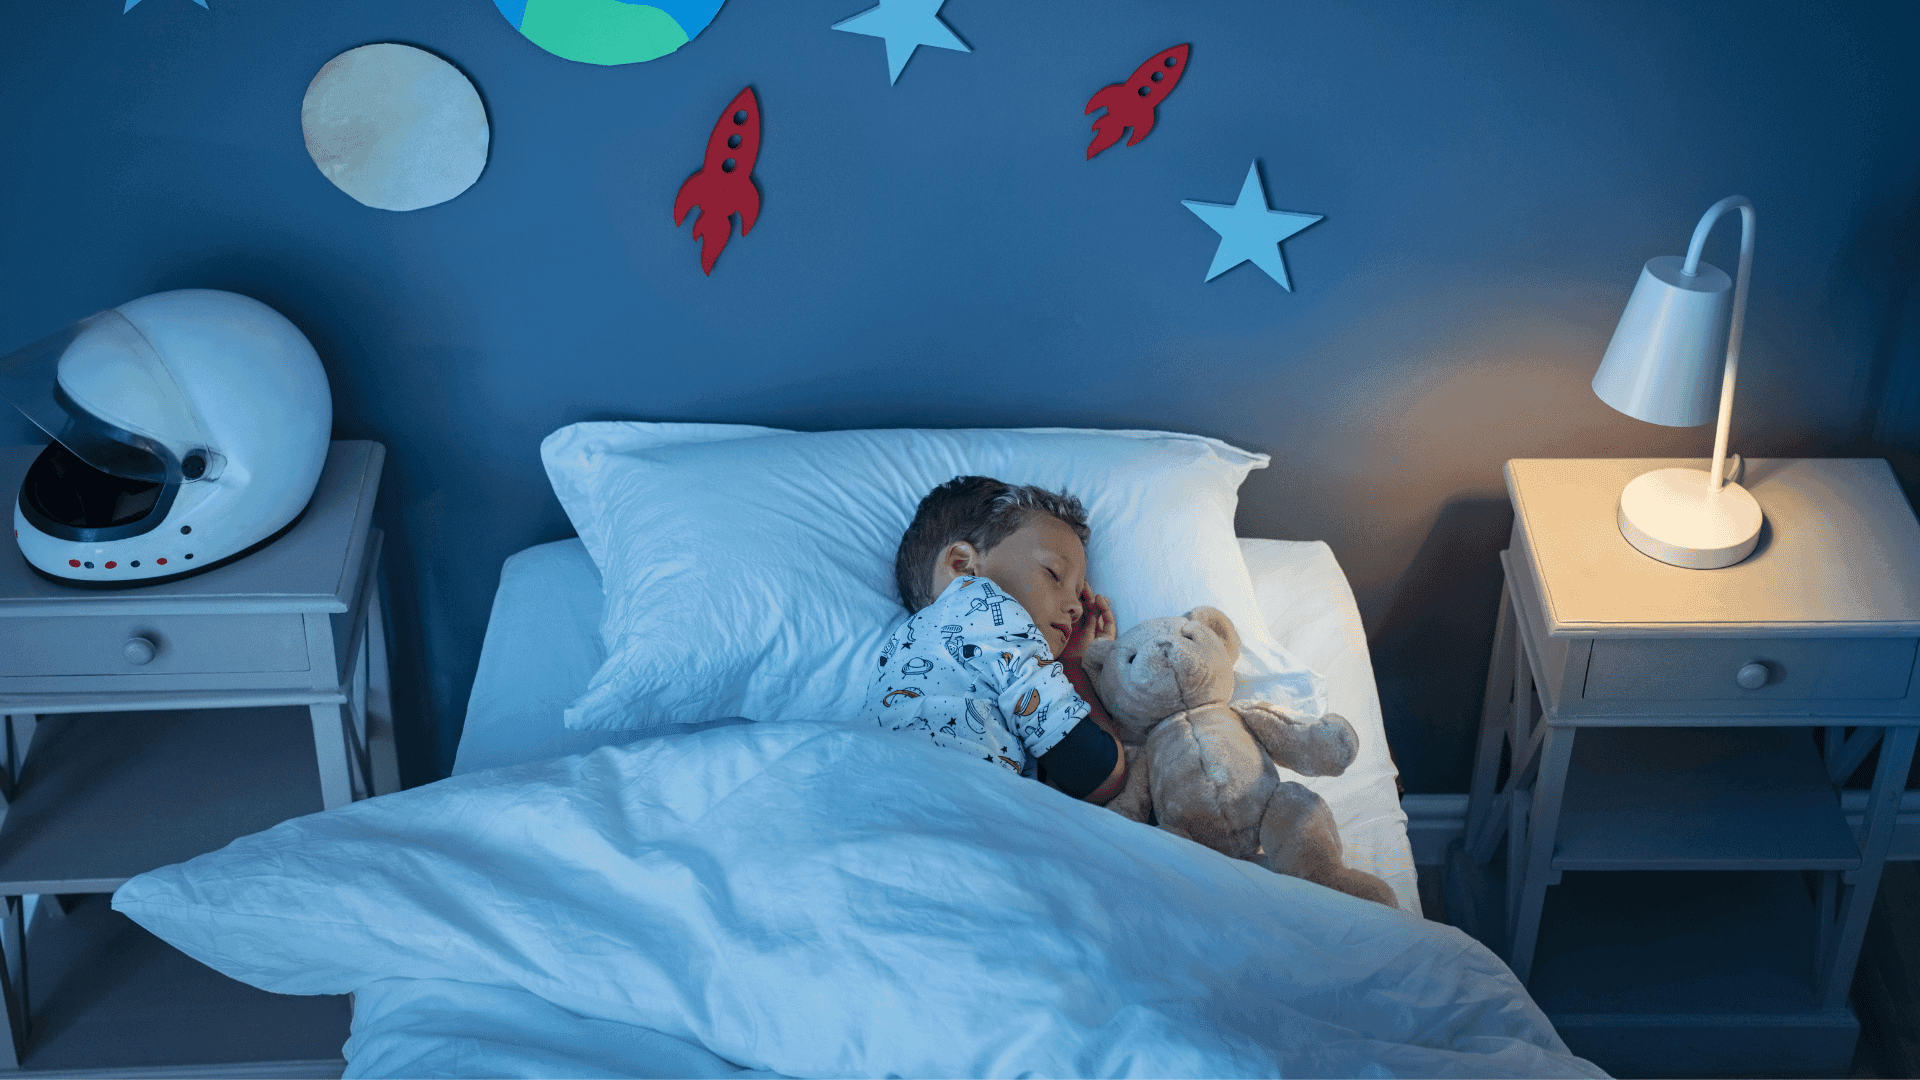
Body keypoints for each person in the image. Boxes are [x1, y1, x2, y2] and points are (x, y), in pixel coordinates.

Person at [860, 475, 1127, 803]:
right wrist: (1075, 667)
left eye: (1078, 592)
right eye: (1054, 574)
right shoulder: (987, 606)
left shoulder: (897, 650)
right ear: (963, 567)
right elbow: (1097, 773)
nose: (1077, 608)